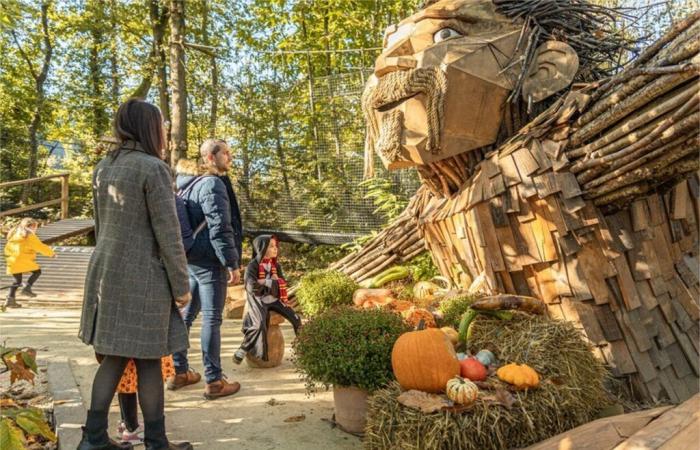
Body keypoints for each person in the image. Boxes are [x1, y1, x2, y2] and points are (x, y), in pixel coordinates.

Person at [77, 98, 192, 450]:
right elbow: (168, 233)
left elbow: (100, 224)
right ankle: (156, 443)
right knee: (147, 361)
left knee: (113, 356)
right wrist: (181, 285)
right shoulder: (153, 169)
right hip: (144, 279)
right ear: (149, 127)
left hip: (105, 273)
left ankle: (93, 438)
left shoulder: (103, 167)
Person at [169, 140, 241, 400]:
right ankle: (214, 381)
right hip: (209, 261)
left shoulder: (184, 186)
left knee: (186, 315)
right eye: (225, 152)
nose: (230, 157)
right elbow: (220, 227)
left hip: (190, 258)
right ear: (210, 157)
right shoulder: (211, 184)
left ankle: (180, 372)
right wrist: (231, 263)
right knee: (212, 317)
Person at [234, 235, 301, 364]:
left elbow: (282, 282)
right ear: (261, 248)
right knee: (258, 324)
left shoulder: (276, 266)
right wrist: (272, 282)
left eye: (276, 246)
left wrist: (265, 282)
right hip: (259, 300)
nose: (275, 249)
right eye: (271, 246)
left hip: (274, 299)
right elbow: (252, 286)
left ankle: (304, 348)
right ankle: (243, 349)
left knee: (296, 318)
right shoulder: (252, 267)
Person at [3, 218, 55, 308]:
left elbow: (8, 247)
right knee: (37, 271)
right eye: (35, 227)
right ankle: (27, 288)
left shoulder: (14, 233)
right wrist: (51, 254)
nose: (36, 229)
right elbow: (39, 246)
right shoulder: (29, 235)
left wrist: (9, 257)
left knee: (17, 281)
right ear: (30, 226)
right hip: (22, 259)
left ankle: (10, 300)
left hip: (12, 259)